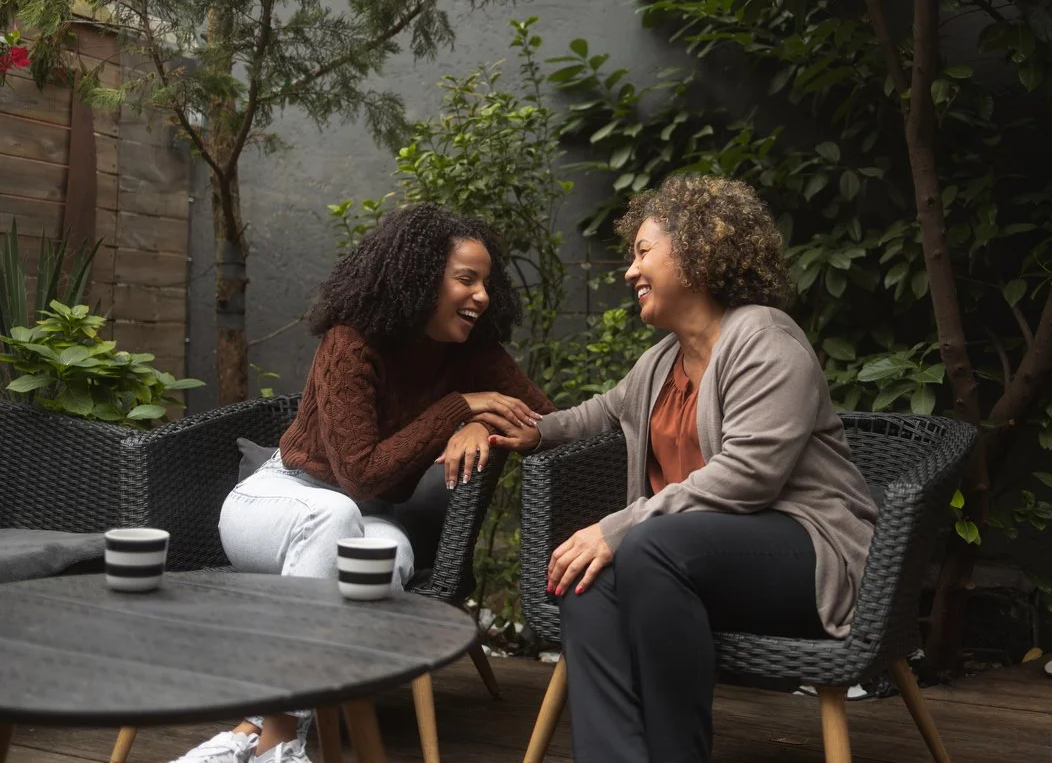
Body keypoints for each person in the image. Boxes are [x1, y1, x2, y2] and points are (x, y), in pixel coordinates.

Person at [490, 175, 879, 763]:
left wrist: (615, 528)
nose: (629, 271)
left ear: (697, 255)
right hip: (688, 563)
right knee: (582, 579)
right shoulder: (661, 361)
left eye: (643, 252)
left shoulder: (764, 339)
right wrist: (537, 431)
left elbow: (749, 475)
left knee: (645, 545)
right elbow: (601, 412)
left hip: (807, 551)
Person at [174, 205, 554, 763]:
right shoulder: (352, 342)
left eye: (487, 283)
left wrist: (480, 422)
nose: (482, 296)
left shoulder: (476, 354)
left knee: (386, 558)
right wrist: (459, 408)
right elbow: (359, 472)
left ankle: (243, 736)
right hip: (278, 499)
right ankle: (281, 740)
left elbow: (550, 423)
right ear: (420, 277)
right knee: (331, 517)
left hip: (367, 516)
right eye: (466, 279)